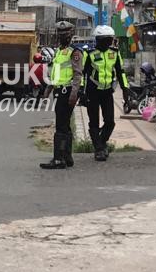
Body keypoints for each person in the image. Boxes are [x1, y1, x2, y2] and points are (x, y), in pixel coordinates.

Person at [41, 21, 84, 170]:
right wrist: (47, 91)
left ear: (71, 35)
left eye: (65, 33)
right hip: (59, 91)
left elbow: (78, 75)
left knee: (60, 126)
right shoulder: (59, 52)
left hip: (67, 93)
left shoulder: (75, 52)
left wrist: (74, 94)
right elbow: (56, 75)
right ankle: (67, 156)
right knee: (65, 125)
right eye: (60, 33)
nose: (62, 36)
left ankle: (58, 158)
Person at [83, 25, 129, 162]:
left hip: (107, 92)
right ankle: (99, 149)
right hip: (92, 92)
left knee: (110, 122)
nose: (108, 42)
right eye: (105, 40)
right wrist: (81, 91)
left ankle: (101, 144)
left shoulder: (114, 53)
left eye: (110, 39)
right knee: (94, 122)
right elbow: (82, 74)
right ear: (98, 40)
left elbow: (120, 72)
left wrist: (125, 89)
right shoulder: (89, 53)